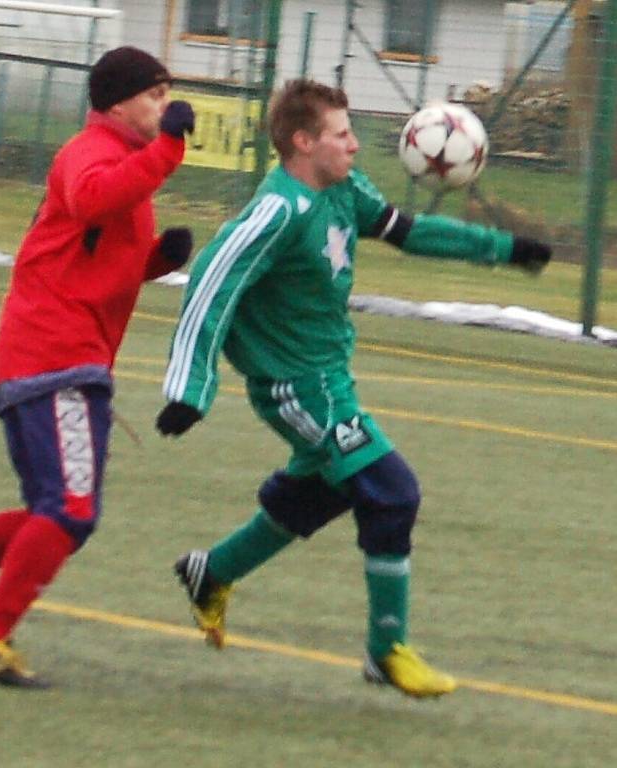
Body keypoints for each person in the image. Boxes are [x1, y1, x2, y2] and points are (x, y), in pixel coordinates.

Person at [155, 79, 551, 698]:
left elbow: (410, 231)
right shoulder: (278, 211)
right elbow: (211, 281)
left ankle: (213, 572)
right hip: (295, 388)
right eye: (343, 135)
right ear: (304, 142)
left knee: (327, 489)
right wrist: (189, 389)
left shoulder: (344, 191)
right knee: (391, 492)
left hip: (331, 377)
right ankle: (385, 650)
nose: (356, 146)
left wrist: (503, 249)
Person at [0, 46, 196, 688]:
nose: (164, 107)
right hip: (57, 359)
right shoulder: (92, 152)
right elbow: (91, 201)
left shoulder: (126, 161)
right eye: (155, 95)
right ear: (117, 103)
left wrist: (156, 262)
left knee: (50, 512)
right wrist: (168, 151)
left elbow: (92, 256)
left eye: (168, 95)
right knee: (71, 511)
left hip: (55, 358)